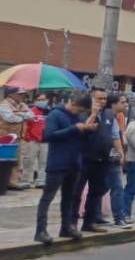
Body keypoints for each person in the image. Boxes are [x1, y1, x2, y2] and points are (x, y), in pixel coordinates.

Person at [34, 94, 94, 244]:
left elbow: (80, 137)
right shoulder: (55, 114)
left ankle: (66, 227)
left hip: (74, 163)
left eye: (82, 111)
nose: (79, 113)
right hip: (57, 163)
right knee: (48, 197)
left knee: (70, 197)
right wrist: (74, 128)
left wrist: (87, 130)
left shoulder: (78, 117)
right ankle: (40, 230)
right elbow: (48, 136)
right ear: (72, 102)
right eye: (78, 109)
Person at [76, 89, 119, 231]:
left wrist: (120, 152)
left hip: (102, 159)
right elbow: (82, 130)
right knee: (77, 191)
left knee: (96, 191)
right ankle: (71, 223)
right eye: (99, 98)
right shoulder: (82, 113)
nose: (102, 101)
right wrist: (93, 114)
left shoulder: (109, 115)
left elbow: (114, 135)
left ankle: (89, 222)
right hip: (84, 158)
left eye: (104, 99)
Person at [1, 87, 36, 191]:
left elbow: (32, 116)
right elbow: (10, 118)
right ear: (11, 94)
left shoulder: (22, 105)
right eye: (20, 94)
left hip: (18, 137)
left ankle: (13, 182)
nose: (22, 96)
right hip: (5, 137)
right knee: (4, 161)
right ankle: (4, 181)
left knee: (16, 160)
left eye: (23, 94)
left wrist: (18, 113)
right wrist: (23, 115)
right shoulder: (3, 105)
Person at [106, 95, 131, 228]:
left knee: (105, 188)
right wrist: (121, 154)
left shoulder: (115, 118)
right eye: (122, 102)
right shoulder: (110, 117)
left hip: (108, 156)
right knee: (116, 187)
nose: (125, 104)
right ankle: (119, 218)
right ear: (114, 104)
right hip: (109, 157)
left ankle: (98, 217)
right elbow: (115, 137)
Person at [17, 92, 49, 189]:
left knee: (44, 162)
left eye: (44, 99)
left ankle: (41, 181)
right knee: (29, 161)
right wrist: (27, 137)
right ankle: (26, 180)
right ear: (35, 101)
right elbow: (26, 125)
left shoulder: (50, 112)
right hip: (32, 140)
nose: (42, 101)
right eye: (39, 100)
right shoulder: (31, 112)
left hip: (45, 140)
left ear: (47, 100)